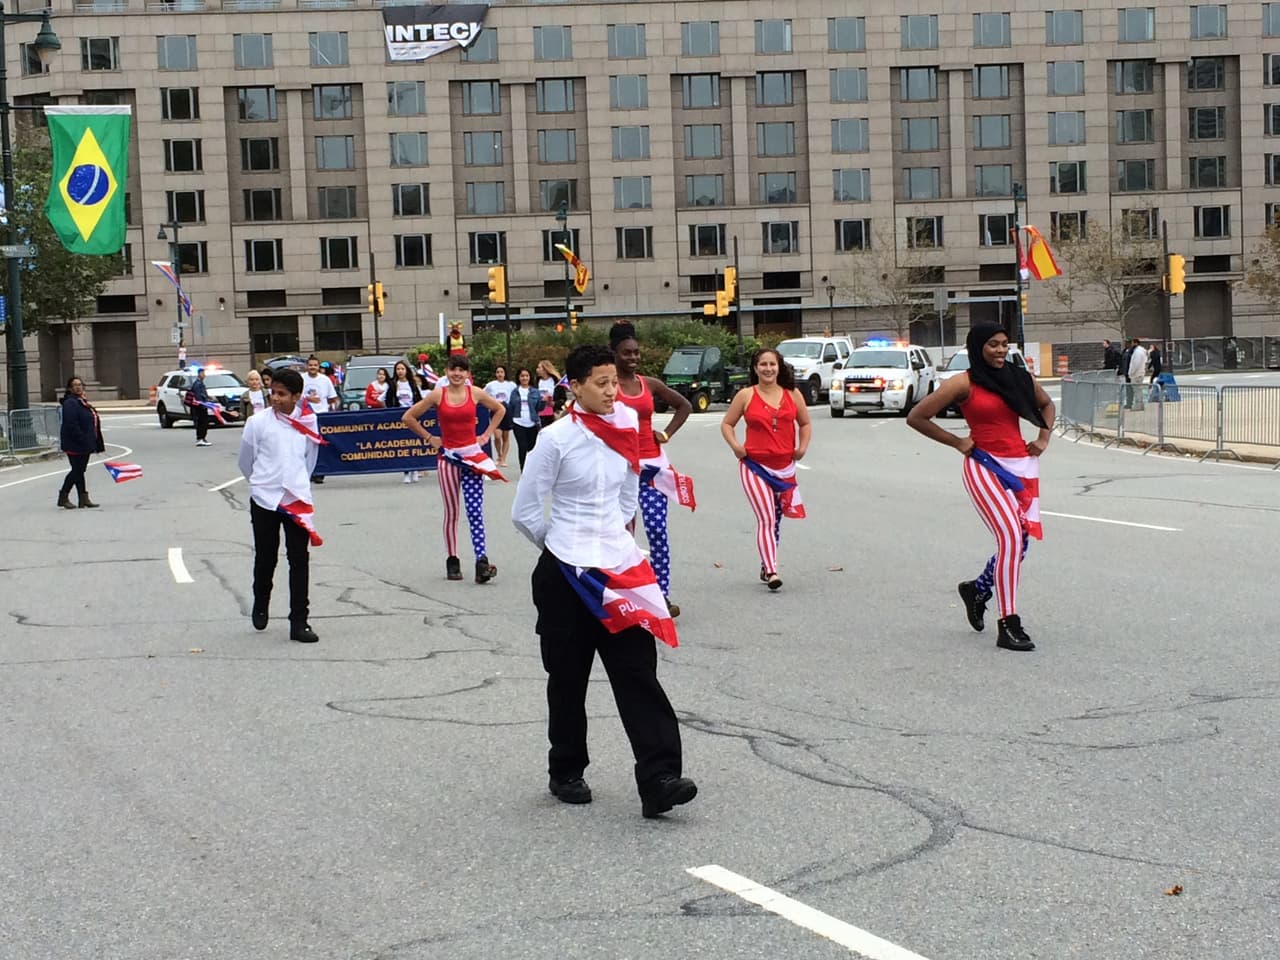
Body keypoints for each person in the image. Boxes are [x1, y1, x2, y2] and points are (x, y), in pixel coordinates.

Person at [512, 344, 696, 820]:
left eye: (614, 381)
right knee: (567, 678)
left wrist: (611, 538)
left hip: (618, 569)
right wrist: (564, 547)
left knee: (638, 673)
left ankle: (659, 780)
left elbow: (629, 491)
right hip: (566, 573)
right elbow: (526, 511)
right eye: (602, 383)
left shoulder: (627, 426)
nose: (613, 391)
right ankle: (566, 770)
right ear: (575, 387)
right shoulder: (554, 439)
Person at [906, 323, 1055, 653]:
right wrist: (957, 441)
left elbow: (1046, 404)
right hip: (984, 464)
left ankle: (978, 589)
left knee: (1020, 542)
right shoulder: (963, 382)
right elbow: (917, 417)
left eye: (1004, 344)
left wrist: (1043, 438)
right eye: (992, 345)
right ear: (977, 347)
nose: (1000, 350)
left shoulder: (1019, 377)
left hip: (1020, 466)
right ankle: (1008, 623)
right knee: (1011, 538)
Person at [609, 321, 694, 617]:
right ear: (614, 353)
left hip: (653, 469)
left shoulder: (650, 384)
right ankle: (626, 595)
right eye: (626, 353)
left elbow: (684, 406)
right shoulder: (608, 386)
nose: (633, 357)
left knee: (657, 531)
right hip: (622, 470)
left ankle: (661, 595)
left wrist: (666, 433)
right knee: (623, 534)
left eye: (636, 352)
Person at [237, 368, 323, 644]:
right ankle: (261, 601)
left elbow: (310, 459)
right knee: (266, 556)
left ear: (296, 396)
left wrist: (297, 483)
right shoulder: (257, 423)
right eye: (273, 392)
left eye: (282, 394)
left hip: (296, 499)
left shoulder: (309, 421)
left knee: (299, 559)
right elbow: (245, 460)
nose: (275, 398)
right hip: (264, 498)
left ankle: (299, 621)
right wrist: (261, 484)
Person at [402, 355, 507, 583]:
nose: (457, 374)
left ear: (467, 373)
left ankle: (481, 561)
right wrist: (430, 437)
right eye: (453, 369)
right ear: (446, 372)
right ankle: (452, 559)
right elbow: (408, 417)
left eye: (461, 370)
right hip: (448, 458)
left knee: (475, 510)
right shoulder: (438, 394)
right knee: (452, 511)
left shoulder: (475, 393)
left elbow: (499, 409)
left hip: (471, 458)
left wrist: (486, 435)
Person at [720, 348, 811, 591]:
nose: (768, 369)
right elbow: (727, 424)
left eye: (772, 364)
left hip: (784, 468)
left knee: (776, 519)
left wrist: (802, 448)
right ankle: (772, 571)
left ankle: (766, 562)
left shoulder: (792, 394)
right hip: (754, 466)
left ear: (779, 367)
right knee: (767, 518)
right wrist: (736, 446)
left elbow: (804, 423)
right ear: (755, 368)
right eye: (763, 364)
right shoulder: (746, 395)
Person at [57, 376, 104, 510]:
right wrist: (82, 438)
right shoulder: (70, 403)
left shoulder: (81, 402)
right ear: (70, 388)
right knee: (77, 470)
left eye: (80, 384)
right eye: (75, 385)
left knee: (80, 471)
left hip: (84, 443)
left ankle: (83, 498)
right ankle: (63, 496)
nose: (78, 387)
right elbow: (71, 424)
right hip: (75, 443)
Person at [301, 356, 339, 483]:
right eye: (310, 365)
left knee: (320, 445)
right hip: (305, 417)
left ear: (319, 367)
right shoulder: (301, 379)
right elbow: (296, 396)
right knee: (306, 446)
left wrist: (332, 409)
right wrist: (308, 399)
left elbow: (332, 398)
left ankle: (319, 472)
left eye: (315, 365)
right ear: (307, 366)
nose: (313, 367)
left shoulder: (325, 380)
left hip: (321, 415)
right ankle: (306, 471)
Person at [385, 361, 423, 483]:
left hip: (413, 417)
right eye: (398, 369)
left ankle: (415, 469)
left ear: (406, 370)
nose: (400, 371)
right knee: (403, 445)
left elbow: (419, 400)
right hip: (400, 417)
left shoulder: (412, 384)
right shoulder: (393, 385)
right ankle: (406, 471)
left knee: (414, 444)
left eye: (402, 369)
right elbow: (388, 401)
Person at [506, 368, 543, 470]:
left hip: (532, 422)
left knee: (532, 448)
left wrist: (544, 401)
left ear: (530, 377)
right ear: (519, 377)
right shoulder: (515, 391)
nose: (524, 378)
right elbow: (511, 407)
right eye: (522, 376)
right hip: (518, 422)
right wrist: (511, 422)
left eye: (526, 376)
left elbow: (539, 408)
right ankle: (523, 469)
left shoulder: (535, 392)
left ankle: (532, 469)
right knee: (522, 446)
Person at [483, 364, 517, 467]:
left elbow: (516, 396)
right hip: (495, 411)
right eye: (498, 372)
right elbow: (483, 394)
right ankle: (499, 454)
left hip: (507, 411)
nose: (500, 374)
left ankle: (503, 459)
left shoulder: (511, 385)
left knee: (505, 436)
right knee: (497, 436)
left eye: (501, 372)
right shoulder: (491, 385)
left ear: (505, 373)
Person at [188, 366, 214, 446]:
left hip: (202, 406)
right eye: (203, 373)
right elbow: (198, 396)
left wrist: (208, 398)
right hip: (200, 407)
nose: (204, 375)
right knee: (202, 422)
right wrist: (203, 404)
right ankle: (200, 438)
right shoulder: (198, 384)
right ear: (199, 374)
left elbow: (203, 394)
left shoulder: (200, 383)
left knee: (204, 422)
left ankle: (202, 438)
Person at [536, 360, 560, 428]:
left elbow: (563, 398)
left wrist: (554, 403)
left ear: (545, 369)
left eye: (539, 367)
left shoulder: (556, 381)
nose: (537, 369)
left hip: (552, 414)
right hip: (539, 414)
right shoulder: (537, 381)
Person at [1127, 338, 1148, 410]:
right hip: (1140, 373)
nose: (1131, 344)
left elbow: (1135, 364)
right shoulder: (1141, 351)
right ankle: (1140, 405)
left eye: (1132, 343)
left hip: (1136, 374)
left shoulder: (1137, 352)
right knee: (1139, 390)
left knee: (1137, 391)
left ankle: (1138, 406)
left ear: (1135, 343)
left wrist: (1130, 372)